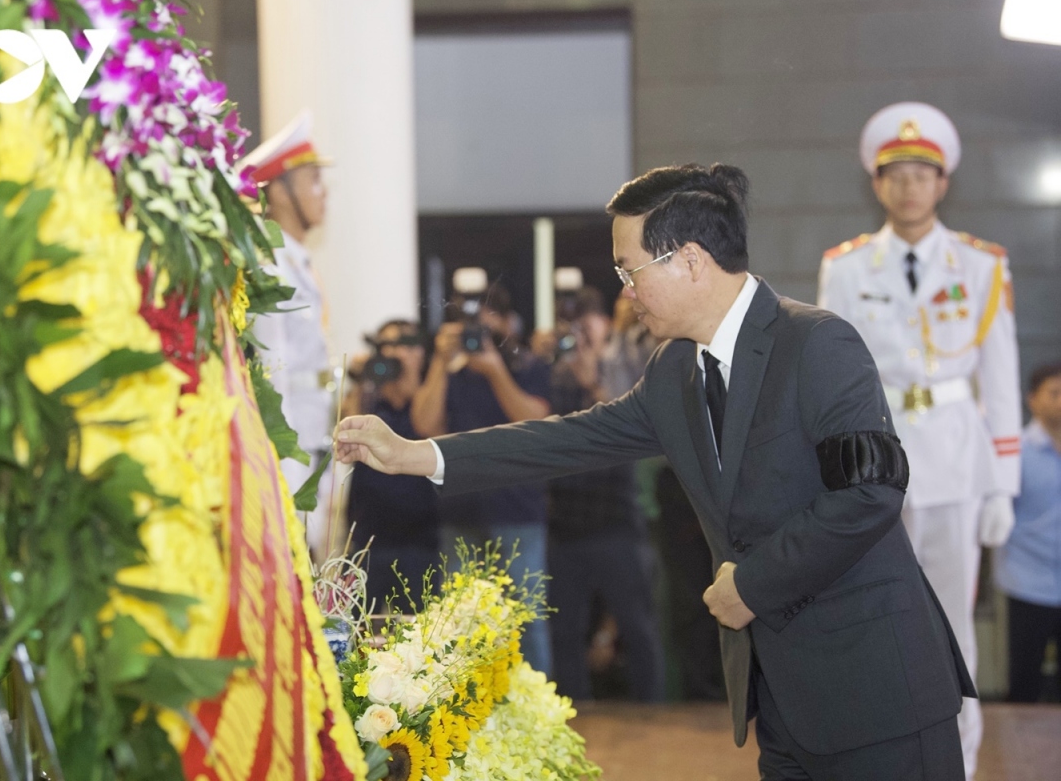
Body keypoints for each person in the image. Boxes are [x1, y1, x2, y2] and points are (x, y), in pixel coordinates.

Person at [338, 163, 975, 780]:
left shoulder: (816, 342)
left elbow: (870, 493)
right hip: (785, 703)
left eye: (629, 269)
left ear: (691, 260)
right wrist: (417, 454)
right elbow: (571, 438)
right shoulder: (676, 370)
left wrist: (751, 583)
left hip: (876, 691)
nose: (625, 290)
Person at [817, 102, 1022, 778]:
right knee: (876, 617)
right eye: (895, 174)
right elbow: (832, 377)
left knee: (954, 624)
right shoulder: (845, 268)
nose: (909, 187)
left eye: (922, 174)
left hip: (959, 467)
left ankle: (955, 762)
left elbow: (1000, 379)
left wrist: (1003, 484)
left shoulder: (982, 265)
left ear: (943, 184)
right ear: (876, 184)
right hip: (875, 464)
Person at [409, 283, 553, 675]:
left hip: (518, 510)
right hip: (460, 508)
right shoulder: (451, 371)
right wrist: (440, 362)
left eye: (485, 329)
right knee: (459, 623)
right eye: (469, 329)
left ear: (508, 324)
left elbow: (538, 422)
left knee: (527, 619)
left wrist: (495, 371)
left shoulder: (528, 366)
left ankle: (541, 714)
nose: (477, 338)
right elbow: (424, 425)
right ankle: (464, 712)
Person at [546, 286, 663, 702]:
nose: (578, 332)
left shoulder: (626, 360)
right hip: (565, 521)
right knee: (564, 631)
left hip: (616, 519)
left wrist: (591, 379)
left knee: (637, 626)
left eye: (585, 322)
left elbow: (630, 428)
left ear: (605, 323)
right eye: (569, 323)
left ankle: (655, 712)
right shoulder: (556, 373)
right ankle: (574, 713)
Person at [236, 111, 335, 559]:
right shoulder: (269, 265)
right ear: (279, 190)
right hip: (292, 446)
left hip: (314, 436)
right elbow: (271, 373)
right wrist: (286, 465)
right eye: (312, 180)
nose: (323, 192)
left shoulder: (294, 260)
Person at [343, 320, 441, 611]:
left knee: (419, 635)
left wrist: (411, 377)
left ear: (421, 352)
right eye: (386, 346)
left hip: (421, 538)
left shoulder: (431, 393)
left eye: (405, 345)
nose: (394, 353)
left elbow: (430, 424)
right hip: (367, 537)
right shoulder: (369, 394)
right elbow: (347, 428)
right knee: (358, 630)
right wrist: (364, 378)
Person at [995, 361, 1061, 703]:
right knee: (1024, 684)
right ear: (1032, 399)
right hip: (1028, 584)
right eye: (1055, 393)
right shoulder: (1014, 452)